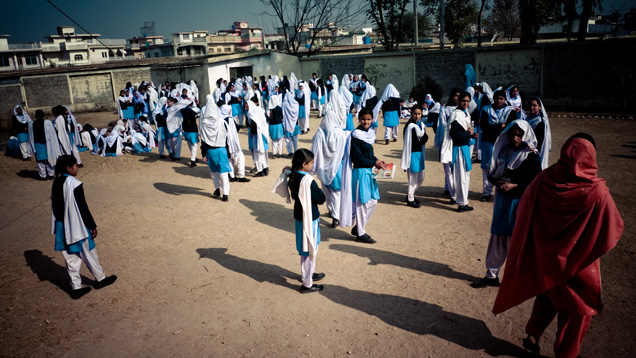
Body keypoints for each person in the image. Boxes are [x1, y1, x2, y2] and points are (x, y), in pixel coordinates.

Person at [492, 133, 624, 358]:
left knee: (548, 292)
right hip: (578, 261)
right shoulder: (597, 193)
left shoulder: (544, 180)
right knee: (578, 308)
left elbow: (525, 208)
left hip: (545, 255)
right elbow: (613, 227)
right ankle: (567, 352)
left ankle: (533, 332)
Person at [470, 120, 541, 288]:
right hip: (502, 201)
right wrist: (498, 182)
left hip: (518, 203)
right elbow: (492, 174)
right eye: (512, 134)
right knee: (498, 236)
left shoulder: (530, 155)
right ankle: (491, 275)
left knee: (515, 239)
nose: (515, 138)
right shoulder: (504, 151)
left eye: (519, 135)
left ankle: (515, 279)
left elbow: (536, 182)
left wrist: (516, 185)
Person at [51, 155, 117, 299]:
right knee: (89, 252)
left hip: (62, 225)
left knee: (70, 257)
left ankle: (76, 288)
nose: (77, 168)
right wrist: (92, 225)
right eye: (75, 166)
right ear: (69, 168)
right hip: (76, 225)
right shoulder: (74, 184)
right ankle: (100, 279)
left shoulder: (56, 182)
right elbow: (83, 207)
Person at [339, 107, 386, 244]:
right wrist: (374, 162)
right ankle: (361, 233)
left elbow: (368, 155)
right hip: (360, 172)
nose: (366, 121)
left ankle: (359, 226)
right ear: (359, 119)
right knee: (362, 203)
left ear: (372, 120)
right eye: (363, 119)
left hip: (369, 172)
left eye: (368, 119)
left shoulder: (369, 134)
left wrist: (377, 160)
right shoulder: (355, 135)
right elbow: (357, 158)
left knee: (373, 201)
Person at [287, 148, 326, 293]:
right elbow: (321, 199)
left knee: (306, 249)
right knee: (310, 249)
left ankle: (308, 274)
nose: (312, 165)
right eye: (311, 163)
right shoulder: (308, 180)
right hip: (309, 218)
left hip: (299, 216)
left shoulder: (293, 174)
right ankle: (307, 283)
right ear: (303, 164)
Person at [311, 110, 347, 228]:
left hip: (323, 168)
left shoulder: (319, 133)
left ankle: (331, 210)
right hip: (336, 167)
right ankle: (336, 217)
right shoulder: (340, 133)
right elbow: (344, 150)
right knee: (337, 193)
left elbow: (314, 151)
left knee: (326, 191)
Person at [479, 90, 516, 202]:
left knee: (502, 166)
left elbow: (511, 125)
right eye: (496, 98)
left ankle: (502, 189)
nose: (498, 101)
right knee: (487, 167)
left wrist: (494, 127)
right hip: (488, 142)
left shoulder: (510, 111)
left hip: (503, 143)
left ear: (505, 100)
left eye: (501, 99)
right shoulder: (486, 109)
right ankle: (486, 192)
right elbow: (484, 126)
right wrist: (501, 126)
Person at [446, 91, 479, 212]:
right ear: (459, 101)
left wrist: (471, 135)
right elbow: (454, 133)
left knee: (464, 176)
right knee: (461, 177)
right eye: (463, 101)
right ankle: (461, 203)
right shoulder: (457, 114)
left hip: (464, 147)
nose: (465, 103)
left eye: (467, 101)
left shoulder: (465, 114)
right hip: (459, 149)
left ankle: (462, 201)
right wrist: (468, 133)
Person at [200, 95, 232, 202]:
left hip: (210, 151)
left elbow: (203, 140)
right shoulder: (221, 122)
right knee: (224, 173)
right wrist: (228, 151)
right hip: (222, 149)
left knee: (214, 172)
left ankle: (217, 189)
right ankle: (225, 194)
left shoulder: (204, 123)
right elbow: (226, 138)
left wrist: (203, 154)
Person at [435, 88, 461, 198]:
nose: (458, 98)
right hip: (448, 139)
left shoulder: (462, 109)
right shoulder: (445, 109)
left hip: (459, 140)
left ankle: (451, 189)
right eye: (455, 95)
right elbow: (442, 125)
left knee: (456, 167)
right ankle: (451, 191)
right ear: (451, 96)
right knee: (448, 167)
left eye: (460, 96)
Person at [401, 106, 428, 208]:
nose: (417, 116)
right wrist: (422, 139)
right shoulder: (410, 126)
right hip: (412, 153)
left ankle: (410, 195)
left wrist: (422, 140)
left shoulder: (421, 125)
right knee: (413, 177)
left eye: (419, 114)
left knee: (421, 177)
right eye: (415, 114)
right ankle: (410, 199)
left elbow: (425, 137)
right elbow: (415, 142)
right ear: (411, 114)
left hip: (419, 153)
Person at [28, 109, 61, 180]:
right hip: (42, 144)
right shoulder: (33, 124)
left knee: (42, 160)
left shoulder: (34, 124)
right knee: (45, 159)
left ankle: (45, 175)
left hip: (42, 144)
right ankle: (48, 174)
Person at [522, 97, 552, 170]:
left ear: (539, 107)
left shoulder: (540, 122)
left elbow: (539, 139)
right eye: (530, 105)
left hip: (533, 150)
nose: (532, 107)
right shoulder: (528, 118)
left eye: (534, 105)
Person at [246, 97, 270, 177]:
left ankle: (261, 170)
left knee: (258, 153)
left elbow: (254, 123)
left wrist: (253, 131)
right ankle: (265, 168)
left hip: (257, 136)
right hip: (262, 134)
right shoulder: (259, 111)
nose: (246, 108)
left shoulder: (252, 113)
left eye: (247, 106)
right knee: (262, 153)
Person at [282, 88, 301, 157]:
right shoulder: (296, 104)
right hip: (295, 124)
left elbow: (283, 113)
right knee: (295, 139)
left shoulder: (284, 104)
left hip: (287, 124)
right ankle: (296, 151)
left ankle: (290, 152)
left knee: (288, 139)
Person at [182, 101, 200, 167]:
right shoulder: (193, 112)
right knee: (194, 146)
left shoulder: (183, 111)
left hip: (186, 130)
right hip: (193, 130)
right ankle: (193, 160)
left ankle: (194, 157)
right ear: (192, 105)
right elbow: (197, 114)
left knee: (189, 144)